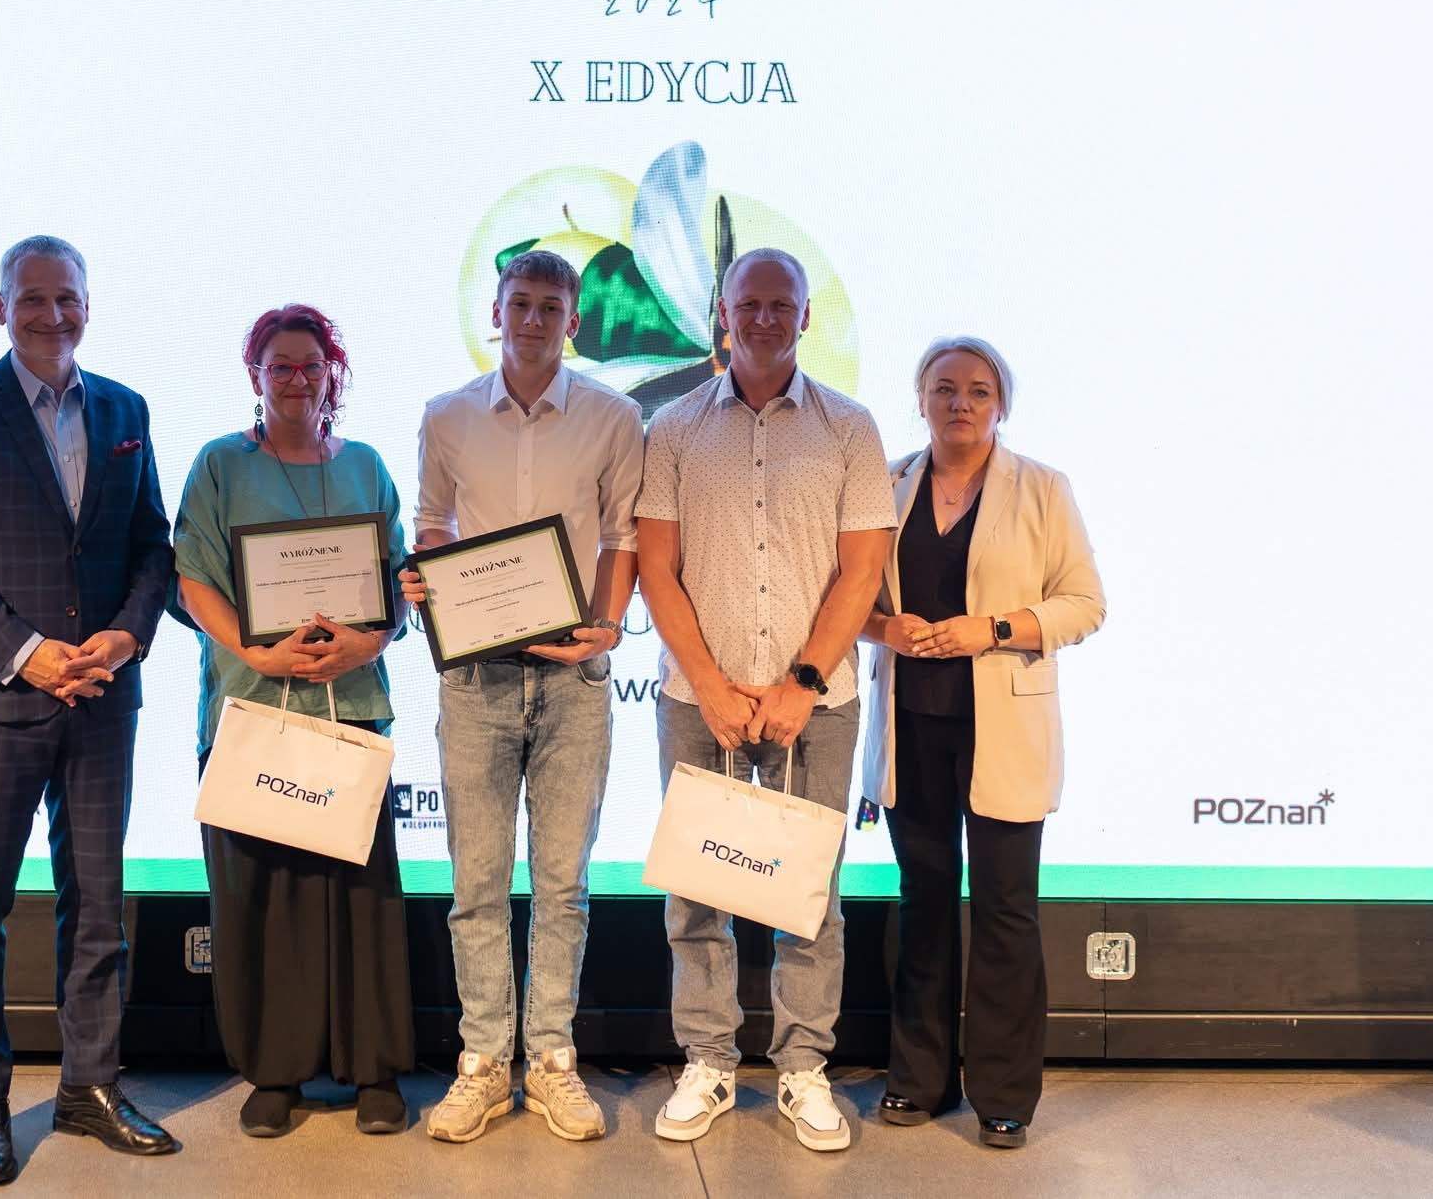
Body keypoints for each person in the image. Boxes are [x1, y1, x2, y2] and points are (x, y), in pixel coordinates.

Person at [0, 234, 179, 1185]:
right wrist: (28, 653)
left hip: (103, 696)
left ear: (88, 307)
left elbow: (154, 546)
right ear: (1, 308)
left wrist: (126, 635)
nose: (51, 314)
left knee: (98, 906)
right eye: (32, 298)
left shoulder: (126, 409)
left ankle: (89, 1086)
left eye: (67, 298)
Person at [635, 248, 895, 1150]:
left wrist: (802, 683)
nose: (764, 318)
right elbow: (656, 568)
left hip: (815, 706)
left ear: (805, 316)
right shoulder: (672, 428)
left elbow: (862, 571)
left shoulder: (850, 428)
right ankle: (708, 1061)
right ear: (722, 311)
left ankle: (802, 1068)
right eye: (748, 303)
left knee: (808, 898)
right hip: (696, 699)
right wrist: (710, 685)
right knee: (695, 897)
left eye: (782, 304)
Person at [403, 249, 643, 1145]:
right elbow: (432, 527)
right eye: (521, 304)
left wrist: (606, 627)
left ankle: (550, 1061)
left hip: (574, 679)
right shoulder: (448, 415)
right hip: (476, 679)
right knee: (475, 885)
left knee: (562, 886)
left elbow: (621, 536)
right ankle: (480, 1065)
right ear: (496, 312)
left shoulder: (615, 417)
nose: (534, 319)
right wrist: (427, 585)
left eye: (551, 306)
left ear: (573, 321)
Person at [171, 304, 414, 1139]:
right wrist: (259, 653)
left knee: (361, 896)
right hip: (252, 706)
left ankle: (374, 1071)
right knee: (260, 900)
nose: (298, 379)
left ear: (333, 372)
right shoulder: (220, 465)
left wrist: (371, 641)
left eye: (312, 364)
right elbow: (193, 580)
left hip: (352, 706)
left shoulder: (367, 466)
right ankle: (274, 1075)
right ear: (256, 374)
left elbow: (399, 583)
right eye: (281, 365)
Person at [857, 336, 1106, 1150]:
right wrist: (884, 628)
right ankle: (919, 1078)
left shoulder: (1042, 488)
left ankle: (1004, 1094)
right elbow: (850, 600)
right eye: (944, 388)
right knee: (925, 902)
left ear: (1002, 405)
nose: (959, 403)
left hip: (1003, 726)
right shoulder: (886, 484)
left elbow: (1084, 604)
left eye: (977, 390)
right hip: (913, 724)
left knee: (1004, 909)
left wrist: (992, 628)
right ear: (920, 399)